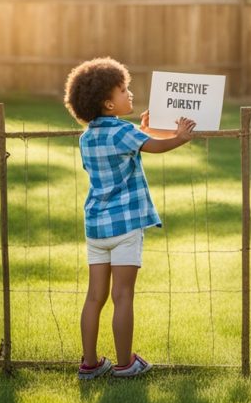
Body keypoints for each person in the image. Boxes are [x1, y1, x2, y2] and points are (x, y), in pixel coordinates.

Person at [63, 57, 196, 380]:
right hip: (125, 226)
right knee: (122, 296)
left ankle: (90, 364)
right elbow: (155, 147)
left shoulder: (88, 138)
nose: (130, 94)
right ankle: (126, 364)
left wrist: (144, 129)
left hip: (96, 227)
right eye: (124, 90)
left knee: (95, 296)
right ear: (109, 103)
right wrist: (180, 137)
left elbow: (132, 143)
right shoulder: (123, 132)